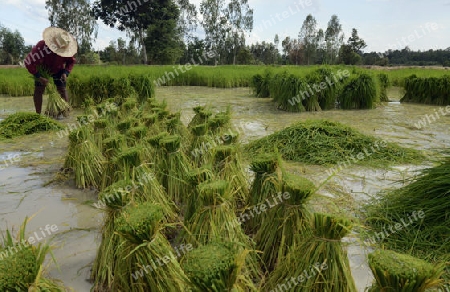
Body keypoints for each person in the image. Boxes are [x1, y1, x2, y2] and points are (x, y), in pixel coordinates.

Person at [24, 27, 77, 114]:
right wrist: (39, 77)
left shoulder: (65, 51)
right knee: (39, 90)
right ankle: (38, 115)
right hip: (42, 69)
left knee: (62, 89)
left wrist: (66, 72)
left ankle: (65, 112)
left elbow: (71, 62)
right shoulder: (41, 47)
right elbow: (28, 62)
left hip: (58, 68)